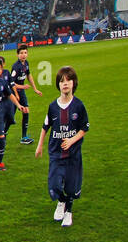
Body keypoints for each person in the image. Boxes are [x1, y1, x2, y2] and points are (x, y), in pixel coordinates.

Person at [35, 66, 88, 227]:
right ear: (58, 84)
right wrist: (40, 145)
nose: (65, 84)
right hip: (56, 153)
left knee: (71, 185)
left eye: (68, 80)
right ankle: (61, 202)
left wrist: (71, 140)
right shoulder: (53, 107)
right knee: (54, 185)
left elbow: (84, 128)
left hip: (73, 154)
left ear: (74, 83)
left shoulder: (78, 106)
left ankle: (69, 212)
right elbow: (46, 126)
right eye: (62, 81)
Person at [8, 44, 42, 144]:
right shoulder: (16, 67)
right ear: (17, 55)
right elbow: (11, 83)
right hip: (14, 93)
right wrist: (23, 87)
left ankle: (24, 137)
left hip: (21, 93)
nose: (24, 55)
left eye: (25, 53)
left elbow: (29, 75)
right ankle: (1, 136)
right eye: (21, 53)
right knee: (10, 118)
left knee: (26, 111)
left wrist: (35, 89)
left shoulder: (26, 63)